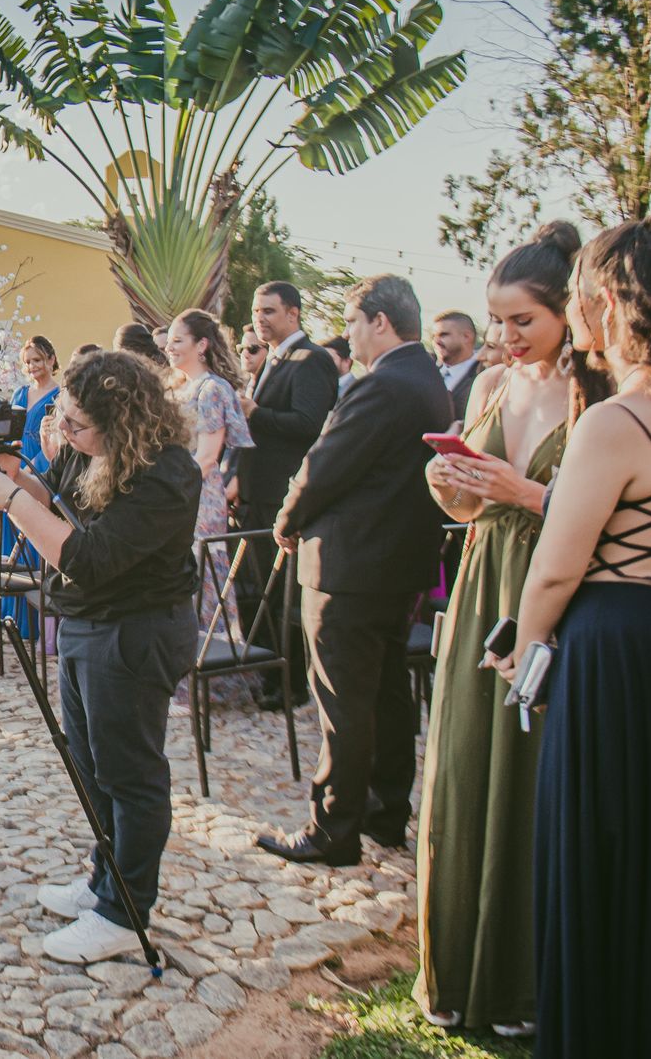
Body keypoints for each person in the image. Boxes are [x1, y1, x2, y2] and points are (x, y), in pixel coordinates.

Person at [494, 206, 651, 1059]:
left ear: (609, 304)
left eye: (578, 294)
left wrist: (523, 656)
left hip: (613, 656)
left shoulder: (621, 420)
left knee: (601, 854)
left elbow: (554, 567)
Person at [0, 349, 201, 962]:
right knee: (91, 765)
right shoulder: (87, 446)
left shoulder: (167, 473)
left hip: (136, 631)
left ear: (121, 423)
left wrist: (10, 501)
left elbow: (88, 558)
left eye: (76, 424)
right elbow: (55, 498)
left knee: (130, 773)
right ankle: (106, 878)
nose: (66, 432)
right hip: (85, 622)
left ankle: (126, 912)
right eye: (62, 419)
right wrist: (12, 474)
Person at [413, 223, 579, 1035]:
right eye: (498, 320)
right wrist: (453, 482)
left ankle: (525, 984)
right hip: (484, 584)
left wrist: (525, 492)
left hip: (558, 587)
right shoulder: (486, 386)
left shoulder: (598, 392)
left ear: (568, 313)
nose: (507, 337)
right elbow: (466, 507)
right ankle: (457, 972)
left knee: (536, 773)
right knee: (467, 763)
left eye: (524, 321)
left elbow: (612, 513)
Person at [257, 275, 450, 866]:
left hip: (351, 565)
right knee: (386, 693)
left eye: (352, 323)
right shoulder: (427, 379)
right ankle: (384, 813)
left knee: (342, 702)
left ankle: (332, 829)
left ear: (380, 322)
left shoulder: (381, 384)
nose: (349, 335)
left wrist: (287, 518)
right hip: (398, 563)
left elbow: (325, 464)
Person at [237, 282, 338, 708]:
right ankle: (268, 674)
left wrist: (256, 413)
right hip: (256, 494)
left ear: (293, 313)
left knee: (282, 595)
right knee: (261, 591)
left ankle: (291, 683)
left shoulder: (311, 359)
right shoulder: (273, 359)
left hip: (283, 493)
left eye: (269, 311)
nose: (260, 319)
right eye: (256, 311)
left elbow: (309, 425)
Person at [165, 310, 253, 634]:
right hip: (176, 492)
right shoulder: (178, 388)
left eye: (178, 340)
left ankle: (211, 648)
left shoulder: (212, 389)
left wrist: (169, 490)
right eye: (169, 341)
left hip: (197, 497)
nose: (169, 348)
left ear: (201, 345)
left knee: (202, 574)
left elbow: (206, 456)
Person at [0, 337, 62, 638]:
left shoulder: (59, 395)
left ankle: (37, 622)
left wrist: (28, 468)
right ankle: (12, 615)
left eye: (37, 360)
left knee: (35, 537)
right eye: (27, 362)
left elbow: (56, 440)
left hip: (41, 466)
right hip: (14, 465)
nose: (32, 366)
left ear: (50, 359)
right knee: (12, 538)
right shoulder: (20, 393)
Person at [432, 309, 483, 421]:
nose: (436, 341)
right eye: (433, 336)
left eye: (443, 335)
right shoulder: (429, 371)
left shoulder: (483, 373)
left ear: (466, 337)